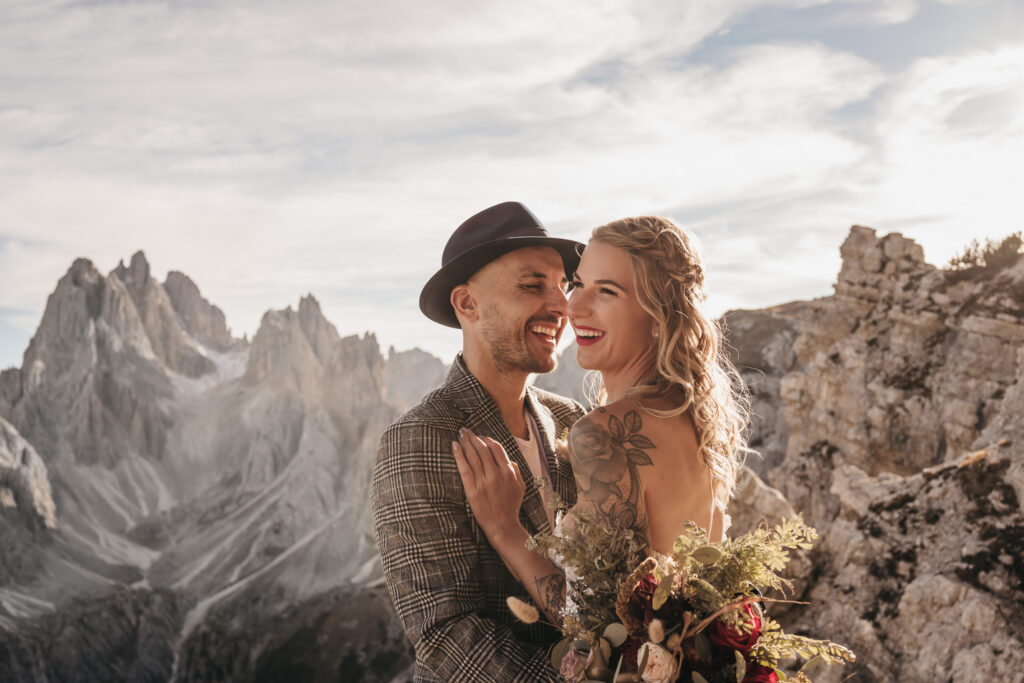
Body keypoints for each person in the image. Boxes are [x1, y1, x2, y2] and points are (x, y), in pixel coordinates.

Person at [453, 215, 749, 625]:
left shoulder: (607, 432)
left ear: (658, 313)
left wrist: (505, 528)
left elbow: (587, 617)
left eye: (607, 291)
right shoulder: (692, 418)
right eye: (578, 284)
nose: (572, 307)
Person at [372, 201, 588, 682]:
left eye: (564, 286)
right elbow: (444, 635)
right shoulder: (421, 438)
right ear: (467, 304)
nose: (562, 306)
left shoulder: (572, 420)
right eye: (533, 285)